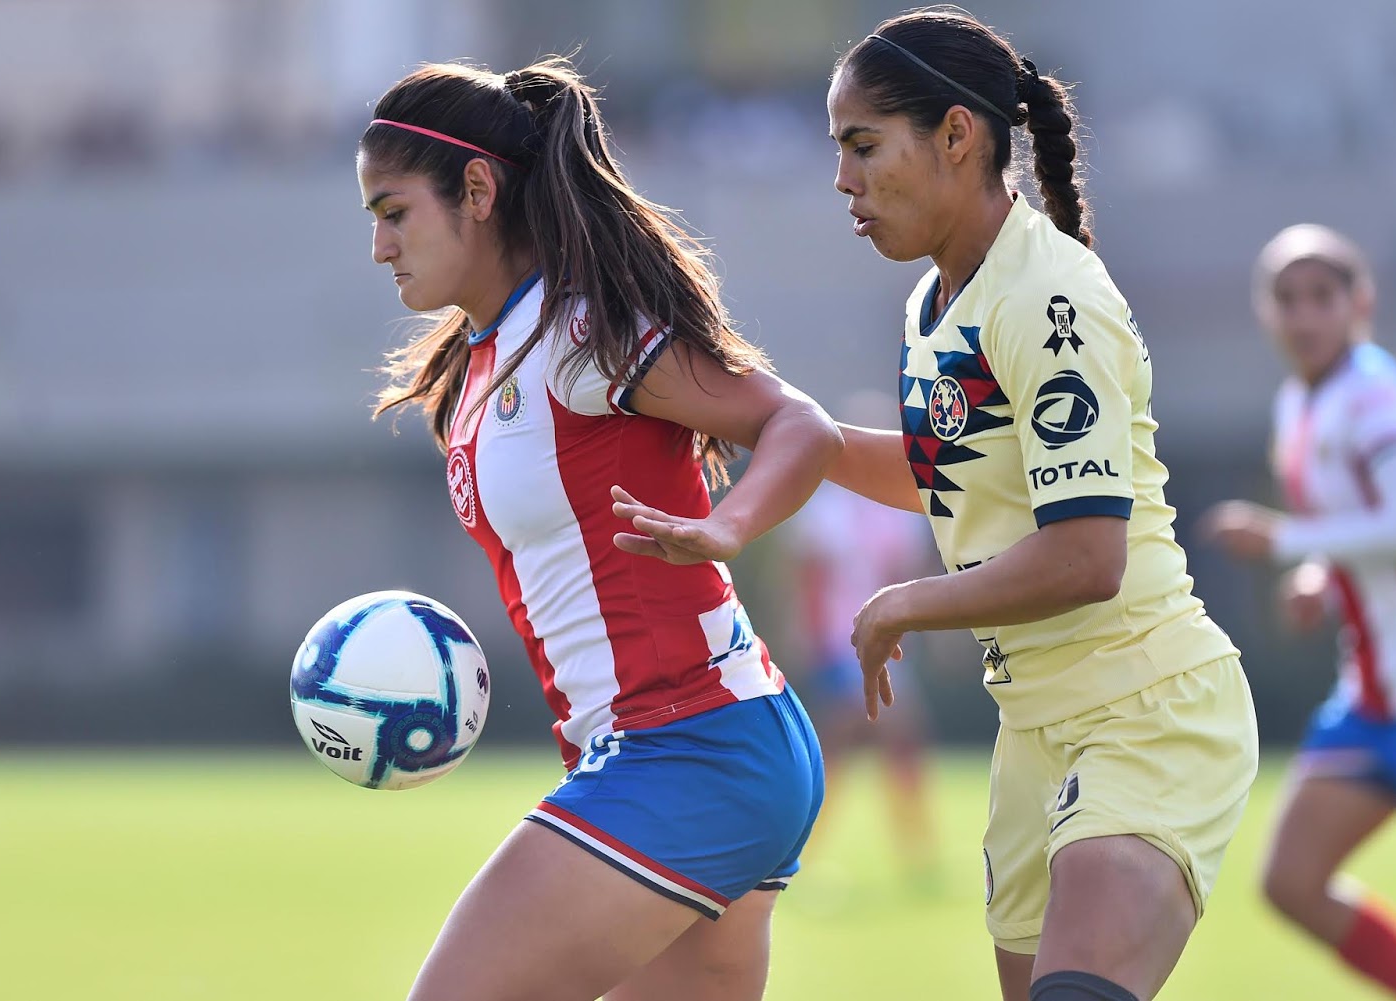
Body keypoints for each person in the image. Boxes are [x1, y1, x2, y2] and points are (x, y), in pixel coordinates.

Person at [792, 8, 1259, 1000]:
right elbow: (949, 474)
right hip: (1031, 731)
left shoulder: (1046, 299)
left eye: (862, 145)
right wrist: (802, 442)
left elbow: (1089, 554)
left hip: (1144, 711)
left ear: (957, 136)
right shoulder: (933, 302)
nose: (843, 179)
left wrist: (900, 601)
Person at [359, 57, 839, 1001]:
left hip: (691, 750)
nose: (379, 245)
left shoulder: (576, 336)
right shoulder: (485, 357)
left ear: (479, 190)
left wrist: (730, 525)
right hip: (685, 753)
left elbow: (799, 426)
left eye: (393, 210)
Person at [1204, 224, 1396, 1001]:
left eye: (1320, 296)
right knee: (1290, 882)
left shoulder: (1376, 393)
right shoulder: (1301, 402)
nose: (1303, 315)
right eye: (1284, 298)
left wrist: (1280, 538)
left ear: (1359, 303)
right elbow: (1365, 529)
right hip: (1372, 693)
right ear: (1265, 312)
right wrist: (1320, 575)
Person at [782, 391, 941, 886]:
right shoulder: (825, 508)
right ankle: (805, 851)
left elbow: (911, 576)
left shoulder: (899, 509)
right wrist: (812, 642)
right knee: (863, 743)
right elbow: (809, 580)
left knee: (881, 744)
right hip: (841, 644)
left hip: (889, 647)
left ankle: (811, 851)